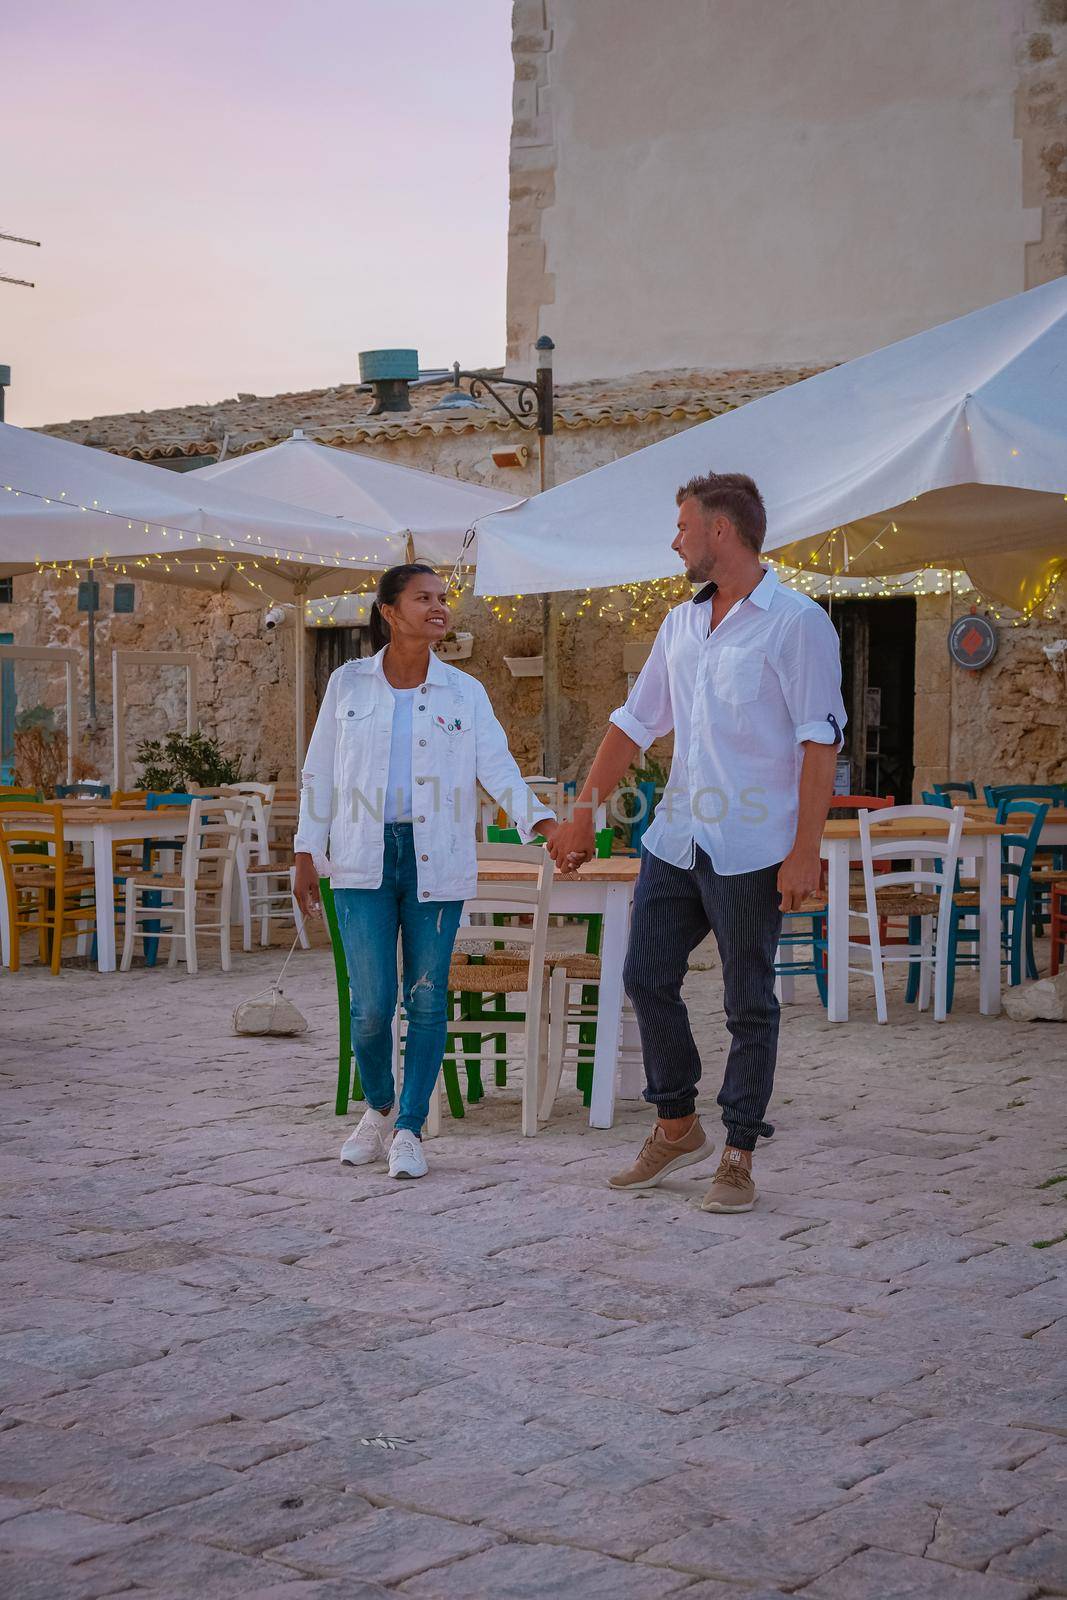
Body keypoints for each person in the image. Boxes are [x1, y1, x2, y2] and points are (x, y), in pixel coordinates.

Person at [547, 472, 846, 1212]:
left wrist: (805, 847)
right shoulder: (679, 625)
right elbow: (632, 721)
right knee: (645, 976)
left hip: (754, 843)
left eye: (683, 526)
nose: (673, 540)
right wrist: (584, 812)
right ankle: (677, 1123)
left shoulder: (797, 622)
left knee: (749, 1004)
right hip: (677, 837)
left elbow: (819, 742)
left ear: (720, 531)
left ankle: (738, 1152)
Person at [294, 563, 559, 1180]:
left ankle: (410, 1127)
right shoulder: (347, 684)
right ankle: (378, 1105)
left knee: (427, 999)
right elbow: (320, 770)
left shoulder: (464, 692)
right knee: (370, 1005)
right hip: (360, 858)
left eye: (443, 599)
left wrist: (540, 823)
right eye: (424, 598)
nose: (439, 607)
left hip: (435, 855)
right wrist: (307, 848)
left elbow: (498, 767)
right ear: (389, 611)